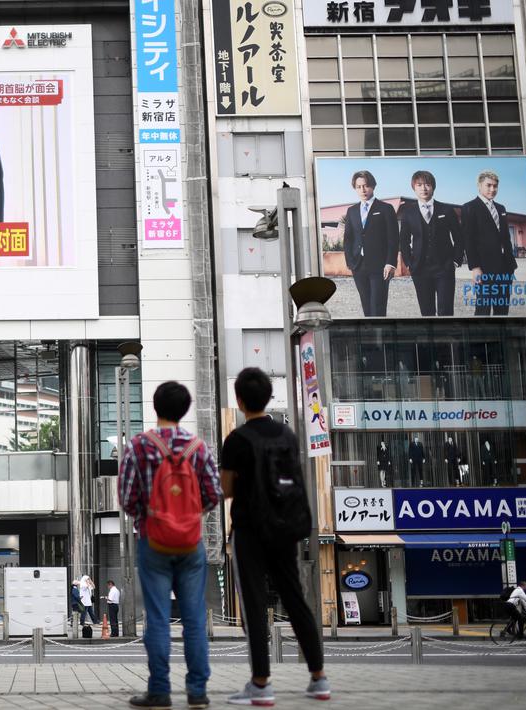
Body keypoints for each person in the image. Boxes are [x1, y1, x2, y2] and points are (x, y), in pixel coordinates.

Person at [220, 367, 329, 705]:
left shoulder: (236, 440)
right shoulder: (288, 435)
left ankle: (261, 683)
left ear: (239, 400)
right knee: (295, 599)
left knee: (253, 604)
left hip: (250, 530)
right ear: (269, 397)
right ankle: (319, 679)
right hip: (285, 528)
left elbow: (225, 489)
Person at [119, 380, 221, 710]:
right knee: (193, 619)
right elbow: (214, 494)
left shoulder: (138, 446)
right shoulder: (198, 448)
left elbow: (126, 497)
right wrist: (188, 516)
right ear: (186, 409)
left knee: (158, 618)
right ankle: (197, 692)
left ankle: (160, 691)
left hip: (153, 542)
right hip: (191, 544)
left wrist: (152, 517)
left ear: (155, 406)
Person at [397, 170, 464, 316]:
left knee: (446, 310)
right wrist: (409, 263)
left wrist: (455, 261)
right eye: (419, 185)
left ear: (433, 187)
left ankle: (446, 338)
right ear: (414, 187)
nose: (424, 188)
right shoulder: (408, 212)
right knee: (426, 311)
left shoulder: (446, 209)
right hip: (419, 269)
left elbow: (459, 238)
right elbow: (403, 240)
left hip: (444, 267)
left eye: (427, 184)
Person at [341, 170, 399, 317]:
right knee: (366, 307)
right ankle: (371, 339)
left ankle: (381, 339)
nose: (363, 190)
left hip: (380, 266)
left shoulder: (386, 209)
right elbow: (348, 239)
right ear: (355, 188)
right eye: (359, 187)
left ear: (373, 186)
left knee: (378, 307)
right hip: (358, 266)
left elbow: (393, 238)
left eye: (366, 186)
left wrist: (390, 263)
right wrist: (350, 261)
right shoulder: (352, 211)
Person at [462, 170, 517, 316]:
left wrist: (510, 262)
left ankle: (501, 338)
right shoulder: (469, 207)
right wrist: (475, 267)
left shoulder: (501, 208)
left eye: (495, 186)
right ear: (479, 185)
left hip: (505, 267)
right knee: (483, 308)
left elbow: (505, 237)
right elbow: (469, 240)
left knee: (502, 308)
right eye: (488, 185)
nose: (492, 189)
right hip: (484, 268)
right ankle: (480, 339)